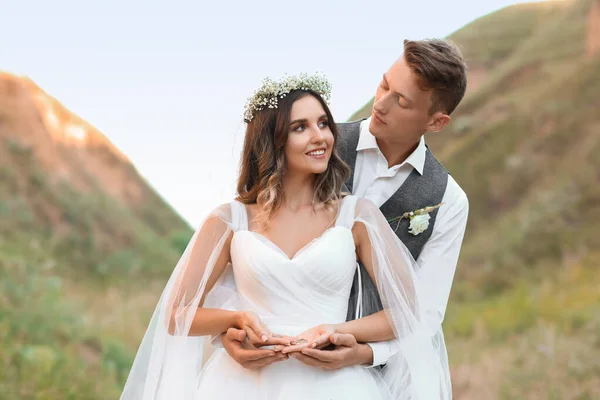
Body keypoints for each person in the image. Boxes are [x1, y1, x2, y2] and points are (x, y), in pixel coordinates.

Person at [120, 72, 452, 399]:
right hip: (240, 385)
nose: (319, 136)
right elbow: (177, 315)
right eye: (300, 128)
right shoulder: (229, 220)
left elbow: (407, 312)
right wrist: (235, 320)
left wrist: (338, 331)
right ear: (273, 140)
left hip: (336, 387)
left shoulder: (357, 216)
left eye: (323, 123)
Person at [221, 38, 469, 396]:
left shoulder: (447, 199)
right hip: (271, 362)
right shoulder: (314, 143)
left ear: (437, 121)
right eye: (384, 84)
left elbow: (426, 311)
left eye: (401, 101)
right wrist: (228, 332)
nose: (380, 103)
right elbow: (246, 243)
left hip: (385, 370)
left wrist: (365, 353)